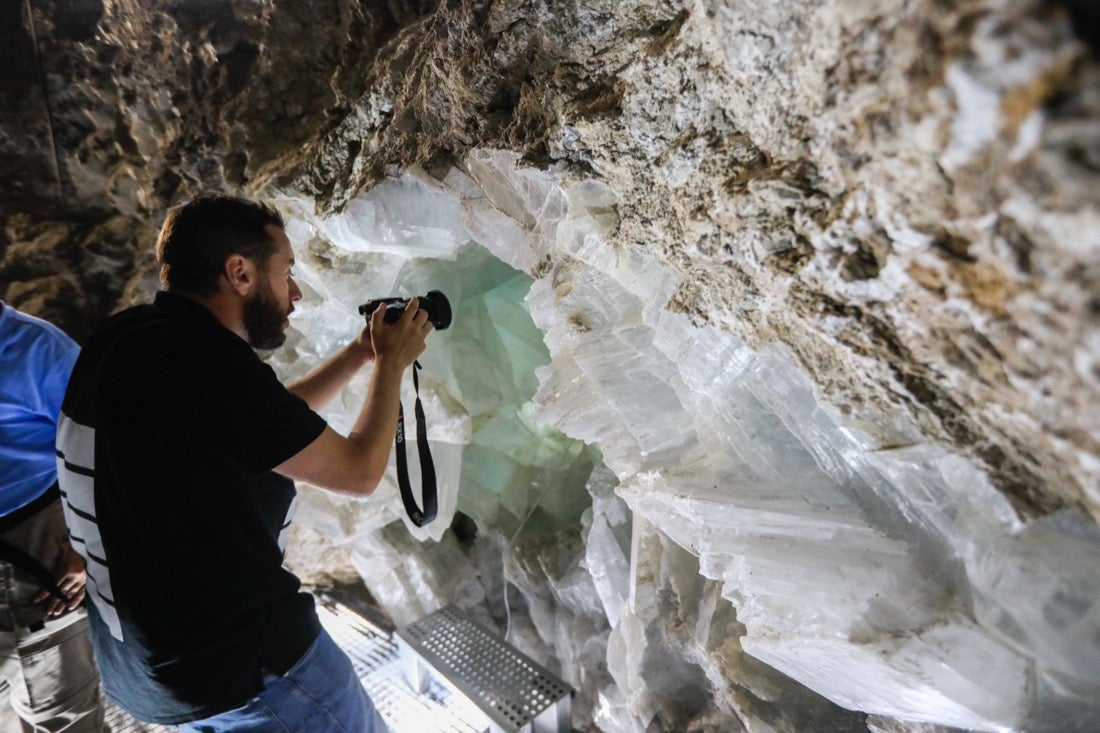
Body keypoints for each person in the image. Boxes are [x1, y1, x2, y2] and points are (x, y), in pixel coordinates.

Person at [56, 193, 433, 731]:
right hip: (248, 669)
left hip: (150, 675)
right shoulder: (208, 365)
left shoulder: (131, 337)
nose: (296, 293)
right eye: (286, 273)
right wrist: (393, 365)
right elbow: (358, 472)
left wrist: (358, 355)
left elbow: (264, 429)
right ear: (239, 272)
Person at [0, 300, 107, 731]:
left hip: (34, 547)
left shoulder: (37, 348)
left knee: (65, 717)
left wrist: (87, 545)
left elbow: (107, 447)